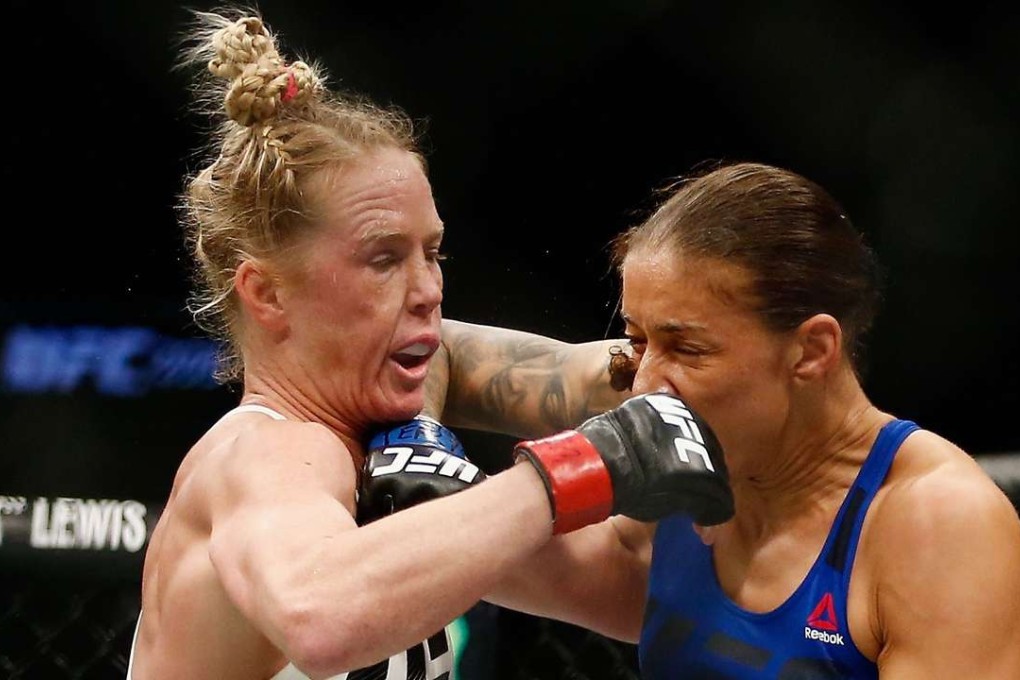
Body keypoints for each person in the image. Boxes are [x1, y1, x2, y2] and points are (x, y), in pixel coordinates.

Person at [128, 7, 733, 680]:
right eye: (383, 259)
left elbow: (587, 384)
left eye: (433, 253)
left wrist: (682, 368)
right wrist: (594, 461)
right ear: (268, 295)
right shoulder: (265, 455)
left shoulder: (390, 408)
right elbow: (320, 618)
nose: (427, 290)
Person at [427, 162, 1020, 677]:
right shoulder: (678, 457)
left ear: (812, 350)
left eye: (688, 348)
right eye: (637, 340)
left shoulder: (938, 525)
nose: (646, 383)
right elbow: (424, 353)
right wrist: (414, 452)